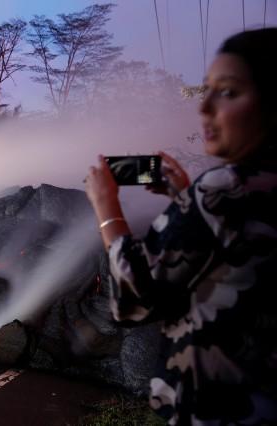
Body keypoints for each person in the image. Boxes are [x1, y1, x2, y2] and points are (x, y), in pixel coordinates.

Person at [85, 28, 277, 425]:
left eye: (228, 91)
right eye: (206, 89)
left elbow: (132, 300)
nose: (204, 107)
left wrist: (107, 208)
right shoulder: (247, 191)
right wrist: (184, 200)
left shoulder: (224, 188)